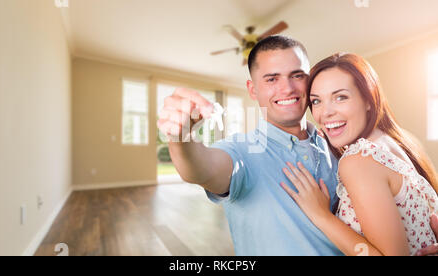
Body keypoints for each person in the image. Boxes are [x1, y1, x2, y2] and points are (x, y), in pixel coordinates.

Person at [157, 35, 438, 255]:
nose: (288, 89)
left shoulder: (341, 143)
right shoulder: (243, 150)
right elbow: (200, 169)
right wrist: (180, 137)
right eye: (272, 79)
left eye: (297, 75)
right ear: (253, 90)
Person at [280, 52, 438, 256]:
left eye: (340, 97)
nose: (325, 113)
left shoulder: (359, 161)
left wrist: (322, 216)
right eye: (317, 101)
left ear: (368, 100)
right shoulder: (395, 143)